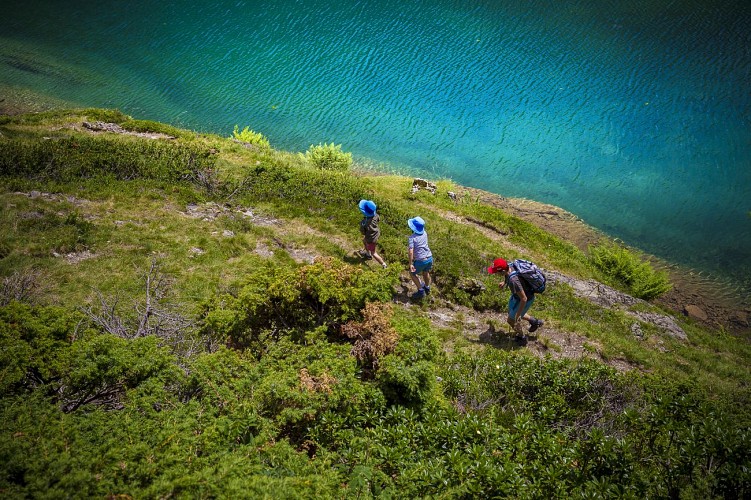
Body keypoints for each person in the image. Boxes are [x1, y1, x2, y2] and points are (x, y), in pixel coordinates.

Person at [487, 258, 544, 343]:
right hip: (517, 297)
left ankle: (522, 337)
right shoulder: (510, 266)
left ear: (502, 271)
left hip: (524, 300)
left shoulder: (514, 281)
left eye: (496, 272)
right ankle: (534, 322)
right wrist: (505, 282)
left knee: (511, 320)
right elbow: (508, 274)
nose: (495, 273)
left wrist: (517, 316)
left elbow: (524, 299)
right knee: (511, 313)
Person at [407, 216, 433, 299]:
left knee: (412, 273)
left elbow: (411, 252)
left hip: (420, 260)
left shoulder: (412, 238)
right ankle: (427, 287)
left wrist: (411, 263)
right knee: (426, 272)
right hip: (429, 258)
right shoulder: (425, 233)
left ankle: (420, 291)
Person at [358, 199, 387, 268]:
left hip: (371, 239)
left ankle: (384, 264)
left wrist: (362, 226)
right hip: (376, 233)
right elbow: (378, 219)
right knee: (364, 241)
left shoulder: (364, 222)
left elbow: (363, 232)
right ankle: (368, 254)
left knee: (373, 252)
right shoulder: (376, 215)